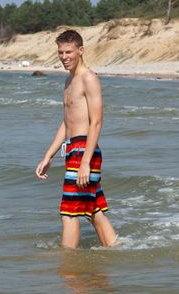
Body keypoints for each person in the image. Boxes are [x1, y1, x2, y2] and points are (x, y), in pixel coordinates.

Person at [35, 29, 118, 249]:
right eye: (60, 52)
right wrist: (48, 156)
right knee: (93, 211)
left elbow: (97, 122)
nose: (64, 57)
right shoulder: (68, 81)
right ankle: (116, 250)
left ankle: (68, 266)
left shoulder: (88, 78)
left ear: (80, 51)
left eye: (68, 52)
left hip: (84, 150)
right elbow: (66, 123)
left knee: (69, 213)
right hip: (73, 149)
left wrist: (85, 162)